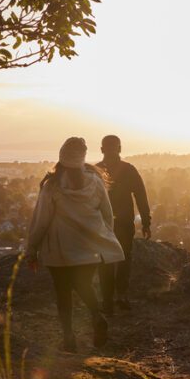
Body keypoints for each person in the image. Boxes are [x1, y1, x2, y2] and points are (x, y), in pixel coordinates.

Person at [26, 137, 124, 352]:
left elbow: (41, 222)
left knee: (63, 292)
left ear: (61, 158)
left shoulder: (52, 186)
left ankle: (68, 338)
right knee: (83, 285)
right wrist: (102, 239)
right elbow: (107, 215)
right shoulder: (96, 181)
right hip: (89, 247)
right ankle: (96, 316)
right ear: (83, 159)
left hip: (59, 249)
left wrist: (31, 249)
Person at [96, 135, 151, 313]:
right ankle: (118, 297)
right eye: (111, 147)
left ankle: (109, 300)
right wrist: (146, 222)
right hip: (116, 222)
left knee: (107, 261)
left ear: (102, 149)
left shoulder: (95, 170)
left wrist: (146, 222)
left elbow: (141, 196)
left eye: (113, 147)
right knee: (122, 259)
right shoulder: (128, 169)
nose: (112, 151)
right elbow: (141, 196)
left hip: (106, 224)